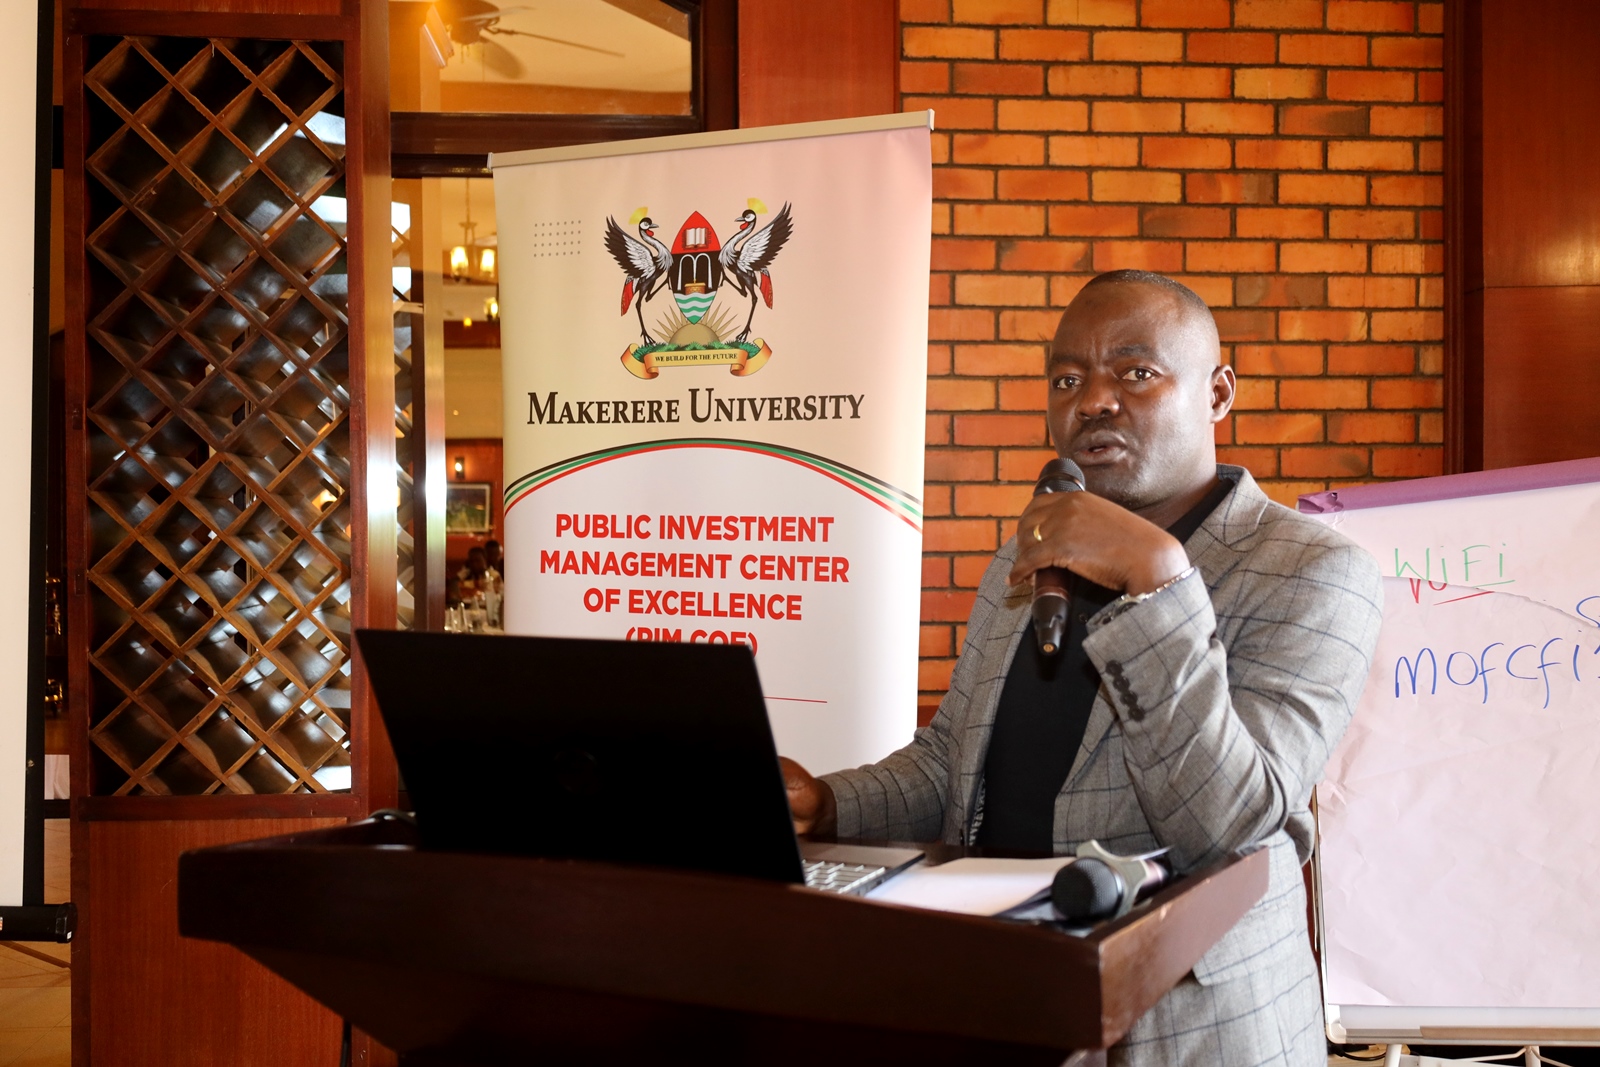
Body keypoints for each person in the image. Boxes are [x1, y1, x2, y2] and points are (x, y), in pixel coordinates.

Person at [782, 270, 1383, 1066]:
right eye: (1068, 378)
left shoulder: (1311, 569)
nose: (1094, 400)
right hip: (1013, 997)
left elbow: (1232, 823)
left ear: (1218, 393)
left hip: (1189, 1032)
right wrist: (825, 804)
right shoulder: (1028, 556)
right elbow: (952, 765)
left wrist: (1160, 581)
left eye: (1136, 372)